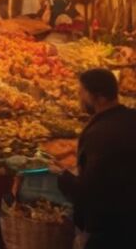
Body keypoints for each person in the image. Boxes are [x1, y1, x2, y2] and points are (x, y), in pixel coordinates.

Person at [55, 68, 136, 248]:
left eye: (82, 93)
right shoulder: (130, 118)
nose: (79, 98)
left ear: (99, 97)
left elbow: (89, 190)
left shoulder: (99, 134)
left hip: (109, 229)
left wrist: (61, 176)